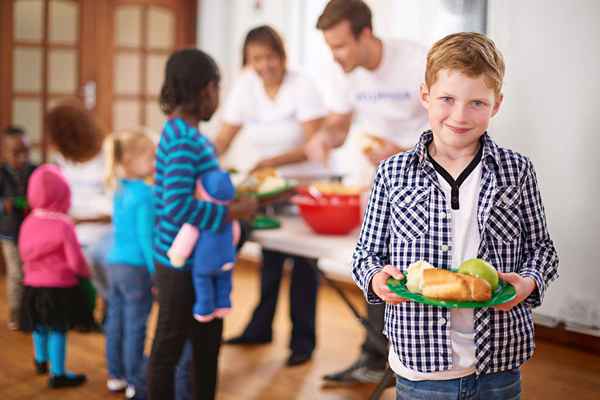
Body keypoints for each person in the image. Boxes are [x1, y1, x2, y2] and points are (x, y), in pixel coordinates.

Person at [355, 32, 559, 399]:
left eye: (477, 103)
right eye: (447, 99)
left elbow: (542, 251)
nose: (460, 116)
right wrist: (376, 279)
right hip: (420, 365)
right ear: (425, 96)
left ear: (496, 104)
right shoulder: (391, 173)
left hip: (498, 361)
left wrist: (528, 283)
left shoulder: (517, 171)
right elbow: (365, 256)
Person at [305, 0, 429, 383]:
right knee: (374, 265)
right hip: (380, 182)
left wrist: (404, 152)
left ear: (365, 35)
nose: (335, 56)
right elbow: (340, 124)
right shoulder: (347, 72)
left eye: (340, 46)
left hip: (426, 182)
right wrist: (324, 138)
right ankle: (376, 357)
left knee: (410, 275)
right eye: (330, 47)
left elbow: (448, 126)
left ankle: (405, 362)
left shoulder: (416, 62)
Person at [147, 48, 258, 400]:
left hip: (197, 264)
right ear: (206, 89)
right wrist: (233, 213)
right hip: (183, 267)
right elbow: (177, 205)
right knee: (169, 350)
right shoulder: (184, 140)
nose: (218, 99)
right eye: (218, 90)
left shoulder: (181, 134)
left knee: (206, 347)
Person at [215, 25, 326, 367]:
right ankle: (260, 328)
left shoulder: (302, 85)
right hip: (269, 189)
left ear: (282, 55)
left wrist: (270, 162)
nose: (264, 65)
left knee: (304, 264)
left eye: (269, 57)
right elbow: (224, 138)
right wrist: (195, 161)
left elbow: (313, 146)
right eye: (256, 59)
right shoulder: (246, 87)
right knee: (271, 258)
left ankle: (302, 342)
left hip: (305, 186)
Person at [17, 101, 105, 389]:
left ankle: (39, 360)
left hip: (32, 285)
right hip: (58, 286)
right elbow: (75, 258)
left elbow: (23, 251)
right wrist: (84, 274)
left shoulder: (30, 221)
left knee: (39, 326)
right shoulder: (63, 224)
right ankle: (58, 373)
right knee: (57, 329)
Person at [104, 132, 156, 399]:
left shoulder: (119, 189)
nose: (156, 161)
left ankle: (116, 375)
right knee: (136, 325)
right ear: (129, 159)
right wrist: (156, 272)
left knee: (116, 321)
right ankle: (136, 380)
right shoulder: (147, 195)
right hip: (136, 268)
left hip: (114, 264)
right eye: (151, 156)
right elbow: (147, 238)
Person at [0, 126, 37, 330]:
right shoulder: (2, 174)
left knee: (31, 273)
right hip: (10, 234)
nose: (22, 158)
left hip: (33, 233)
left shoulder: (34, 170)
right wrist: (5, 203)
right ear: (5, 152)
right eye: (16, 153)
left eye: (26, 152)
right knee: (16, 275)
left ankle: (30, 312)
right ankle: (16, 312)